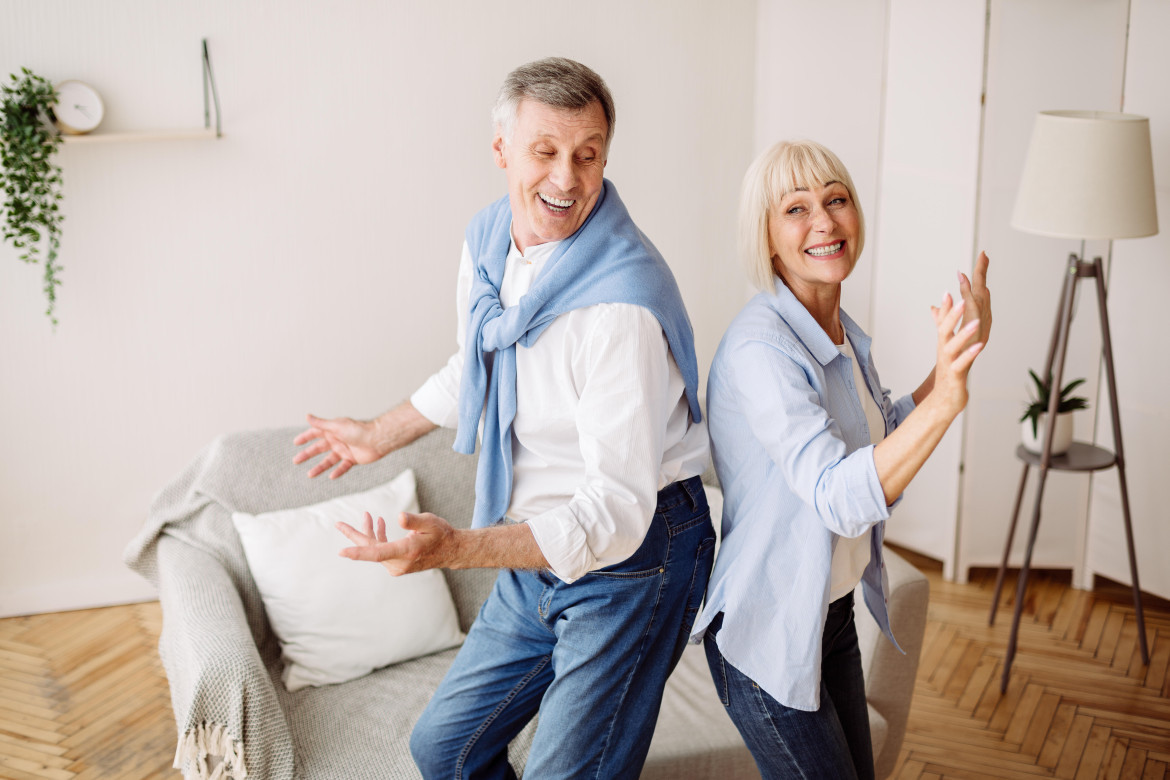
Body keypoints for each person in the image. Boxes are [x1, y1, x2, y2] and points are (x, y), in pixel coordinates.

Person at [293, 57, 714, 780]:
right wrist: (376, 435)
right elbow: (482, 364)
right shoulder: (489, 240)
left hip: (637, 554)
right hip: (539, 544)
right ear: (502, 151)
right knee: (446, 751)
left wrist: (458, 547)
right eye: (545, 152)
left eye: (588, 156)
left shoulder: (620, 308)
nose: (567, 179)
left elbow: (615, 512)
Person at [691, 140, 991, 779]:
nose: (824, 222)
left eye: (836, 199)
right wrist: (946, 406)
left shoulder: (839, 330)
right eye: (796, 209)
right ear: (767, 238)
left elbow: (879, 450)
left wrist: (952, 366)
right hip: (768, 634)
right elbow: (838, 493)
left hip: (829, 615)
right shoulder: (761, 350)